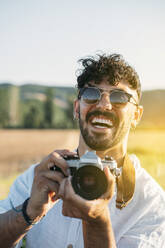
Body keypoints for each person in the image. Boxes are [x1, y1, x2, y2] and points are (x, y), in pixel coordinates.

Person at [0, 53, 165, 248]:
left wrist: (97, 222)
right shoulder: (41, 178)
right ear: (77, 108)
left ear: (136, 115)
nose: (104, 104)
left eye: (119, 97)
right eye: (91, 94)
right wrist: (28, 212)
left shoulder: (151, 203)